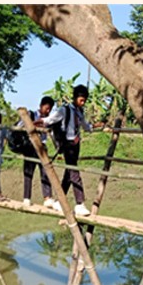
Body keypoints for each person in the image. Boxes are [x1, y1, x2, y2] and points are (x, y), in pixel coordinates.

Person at [39, 84, 105, 216]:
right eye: (81, 99)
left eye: (85, 99)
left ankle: (59, 201)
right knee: (74, 172)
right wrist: (37, 121)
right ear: (75, 97)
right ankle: (80, 203)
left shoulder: (79, 112)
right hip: (67, 145)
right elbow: (50, 120)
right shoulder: (65, 110)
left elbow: (86, 127)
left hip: (76, 145)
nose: (83, 101)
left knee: (69, 174)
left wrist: (96, 125)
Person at [17, 96, 56, 208]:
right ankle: (26, 198)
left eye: (50, 109)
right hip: (30, 146)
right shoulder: (31, 114)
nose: (48, 111)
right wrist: (33, 124)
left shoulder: (47, 120)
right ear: (41, 105)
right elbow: (20, 126)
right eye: (46, 108)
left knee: (45, 172)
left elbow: (51, 134)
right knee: (28, 172)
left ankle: (47, 198)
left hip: (42, 147)